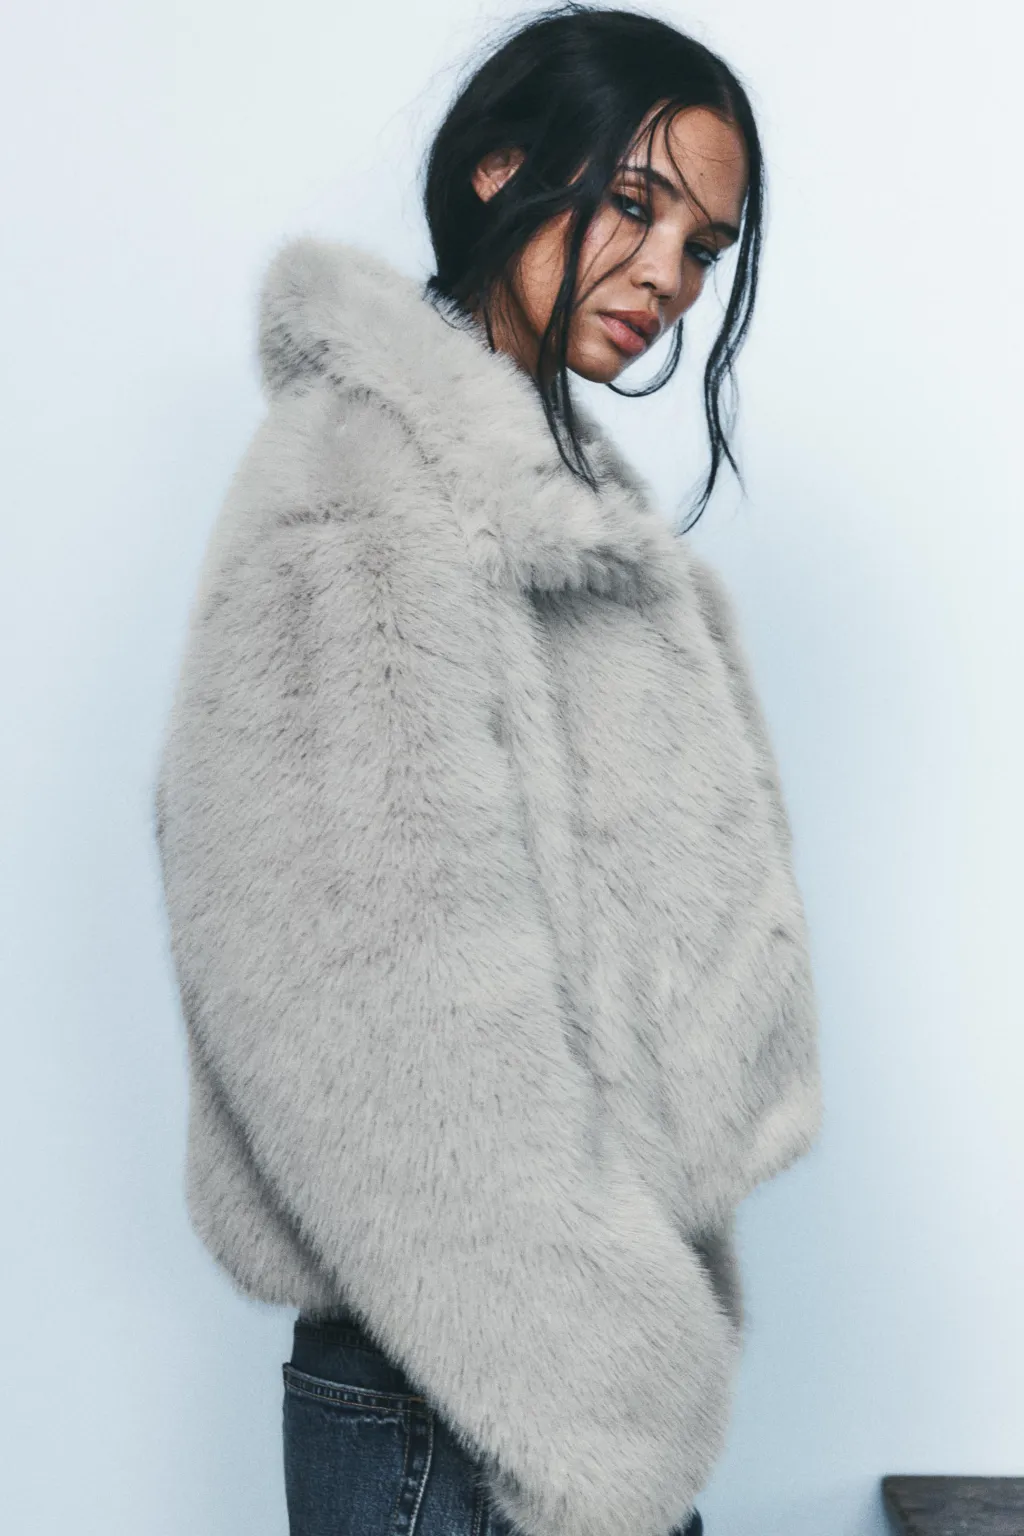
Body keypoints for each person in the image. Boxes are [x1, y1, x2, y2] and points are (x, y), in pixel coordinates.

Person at [152, 6, 823, 1535]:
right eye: (636, 204)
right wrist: (604, 1387)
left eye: (705, 246)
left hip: (542, 1378)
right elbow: (359, 1010)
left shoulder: (559, 510)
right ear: (499, 170)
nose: (668, 276)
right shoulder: (363, 491)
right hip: (466, 1395)